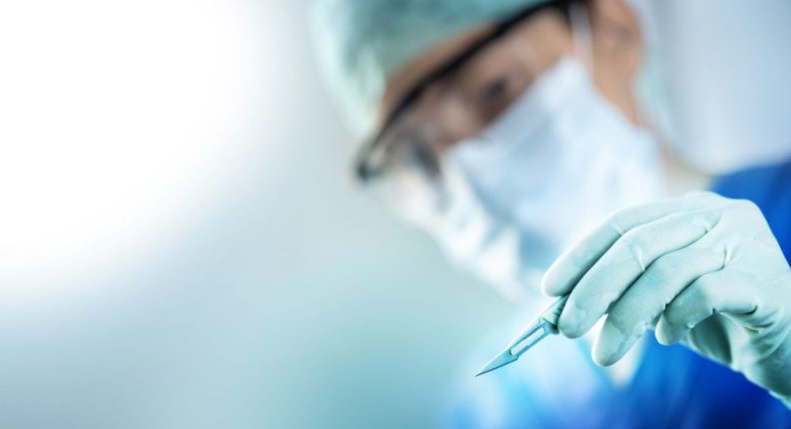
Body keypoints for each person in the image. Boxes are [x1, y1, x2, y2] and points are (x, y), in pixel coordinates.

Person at [311, 0, 791, 426]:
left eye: (494, 88)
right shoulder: (495, 410)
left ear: (612, 27)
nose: (470, 175)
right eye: (417, 158)